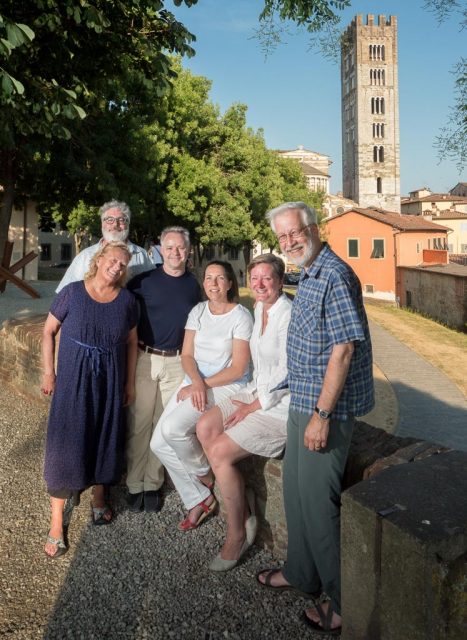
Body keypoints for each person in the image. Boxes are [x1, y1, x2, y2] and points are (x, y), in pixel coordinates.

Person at [256, 202, 374, 636]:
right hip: (302, 402)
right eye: (282, 237)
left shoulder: (336, 275)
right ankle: (301, 574)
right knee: (294, 494)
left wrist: (322, 416)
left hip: (326, 409)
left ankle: (343, 603)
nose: (289, 242)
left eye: (295, 233)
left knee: (319, 506)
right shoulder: (308, 273)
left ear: (314, 228)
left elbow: (343, 350)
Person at [41, 241, 138, 559]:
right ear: (99, 260)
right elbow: (48, 331)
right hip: (73, 380)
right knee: (65, 442)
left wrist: (129, 382)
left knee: (105, 436)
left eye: (123, 264)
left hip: (109, 381)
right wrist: (48, 372)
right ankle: (57, 520)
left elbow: (133, 344)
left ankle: (99, 495)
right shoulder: (72, 292)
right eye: (113, 260)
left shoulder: (126, 301)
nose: (117, 267)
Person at [196, 253, 292, 571]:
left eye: (267, 278)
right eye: (255, 278)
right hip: (255, 390)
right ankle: (244, 503)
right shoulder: (260, 307)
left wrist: (253, 406)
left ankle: (236, 535)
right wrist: (247, 395)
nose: (260, 284)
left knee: (220, 452)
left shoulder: (288, 313)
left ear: (280, 280)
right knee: (205, 427)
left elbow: (288, 371)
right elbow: (258, 365)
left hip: (279, 406)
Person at [151, 261, 253, 531]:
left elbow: (238, 368)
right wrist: (196, 382)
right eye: (209, 278)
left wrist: (202, 385)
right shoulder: (198, 311)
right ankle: (200, 498)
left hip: (226, 385)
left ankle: (203, 474)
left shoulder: (241, 316)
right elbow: (186, 355)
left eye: (221, 278)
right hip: (195, 381)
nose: (214, 283)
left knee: (173, 429)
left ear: (230, 283)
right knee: (157, 444)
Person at [125, 227, 202, 512]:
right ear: (160, 249)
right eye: (169, 247)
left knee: (163, 427)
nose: (175, 253)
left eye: (180, 248)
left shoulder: (194, 286)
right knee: (140, 422)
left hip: (177, 361)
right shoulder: (142, 282)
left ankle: (152, 483)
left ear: (188, 250)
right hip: (146, 358)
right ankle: (134, 484)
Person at [56, 200, 153, 293]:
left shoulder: (142, 256)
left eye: (121, 220)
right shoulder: (85, 256)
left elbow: (154, 290)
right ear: (102, 223)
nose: (115, 224)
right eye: (109, 220)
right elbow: (64, 294)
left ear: (128, 224)